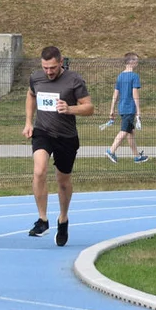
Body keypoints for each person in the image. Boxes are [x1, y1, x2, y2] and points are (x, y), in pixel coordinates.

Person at [23, 46, 94, 246]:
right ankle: (42, 219)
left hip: (66, 136)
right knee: (39, 171)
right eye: (45, 67)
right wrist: (29, 122)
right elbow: (31, 95)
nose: (49, 72)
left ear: (61, 62)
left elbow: (89, 108)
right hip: (43, 132)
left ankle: (63, 219)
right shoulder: (36, 78)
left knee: (63, 181)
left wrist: (70, 108)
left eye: (52, 67)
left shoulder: (74, 80)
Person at [106, 52, 149, 164]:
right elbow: (135, 94)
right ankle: (111, 151)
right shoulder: (134, 76)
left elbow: (115, 94)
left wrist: (112, 109)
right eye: (136, 60)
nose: (137, 63)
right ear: (130, 62)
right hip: (130, 108)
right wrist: (138, 111)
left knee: (131, 132)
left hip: (122, 108)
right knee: (124, 131)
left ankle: (136, 156)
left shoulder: (120, 76)